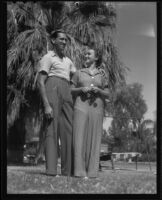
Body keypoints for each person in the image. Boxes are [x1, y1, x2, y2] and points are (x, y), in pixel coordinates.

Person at [37, 30, 76, 176]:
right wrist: (46, 105)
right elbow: (41, 82)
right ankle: (51, 170)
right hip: (52, 88)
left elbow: (77, 76)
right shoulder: (48, 57)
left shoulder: (68, 60)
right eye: (61, 39)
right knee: (51, 130)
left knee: (68, 130)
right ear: (53, 41)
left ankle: (68, 170)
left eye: (65, 40)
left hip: (67, 91)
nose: (64, 42)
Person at [71, 47, 109, 178]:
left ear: (96, 58)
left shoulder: (102, 74)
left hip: (97, 107)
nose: (85, 55)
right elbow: (71, 90)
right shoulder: (78, 73)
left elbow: (108, 93)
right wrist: (81, 89)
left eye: (89, 54)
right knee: (79, 137)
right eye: (85, 53)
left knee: (95, 138)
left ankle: (92, 172)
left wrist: (99, 90)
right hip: (80, 106)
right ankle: (79, 171)